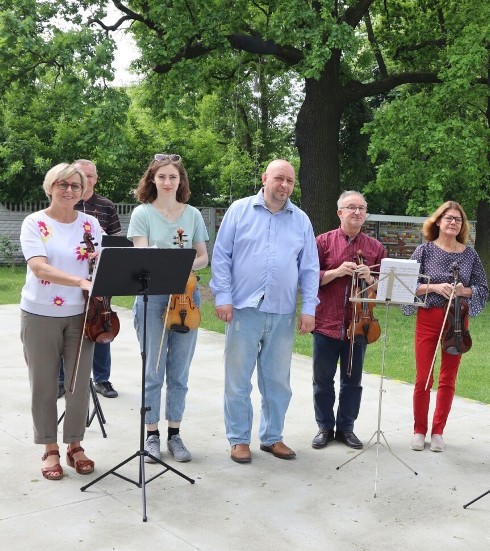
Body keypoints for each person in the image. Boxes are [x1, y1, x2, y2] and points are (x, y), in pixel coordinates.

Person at [210, 159, 319, 464]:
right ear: (265, 178)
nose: (284, 186)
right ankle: (239, 439)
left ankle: (272, 438)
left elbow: (310, 268)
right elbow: (221, 257)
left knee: (277, 381)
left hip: (283, 313)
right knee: (238, 380)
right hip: (244, 310)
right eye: (279, 179)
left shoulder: (301, 220)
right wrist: (223, 297)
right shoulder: (239, 210)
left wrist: (308, 307)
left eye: (290, 181)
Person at [20, 163, 101, 480]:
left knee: (79, 386)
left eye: (76, 186)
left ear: (83, 191)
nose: (69, 190)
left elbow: (100, 263)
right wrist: (80, 282)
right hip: (40, 313)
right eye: (62, 184)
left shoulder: (91, 224)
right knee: (43, 385)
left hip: (83, 315)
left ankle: (75, 446)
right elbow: (39, 267)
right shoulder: (34, 223)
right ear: (50, 186)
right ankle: (50, 448)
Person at [127, 154, 209, 463]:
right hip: (154, 298)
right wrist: (163, 261)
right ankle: (152, 435)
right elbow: (141, 254)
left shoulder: (193, 215)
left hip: (186, 297)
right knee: (153, 369)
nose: (167, 182)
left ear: (180, 181)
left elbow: (202, 256)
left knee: (180, 371)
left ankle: (175, 434)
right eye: (161, 176)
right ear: (152, 180)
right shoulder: (142, 214)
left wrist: (184, 263)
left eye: (173, 177)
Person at [404, 201, 488, 452]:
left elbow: (482, 287)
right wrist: (434, 287)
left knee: (448, 376)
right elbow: (408, 284)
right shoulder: (424, 251)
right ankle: (420, 430)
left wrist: (465, 290)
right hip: (429, 316)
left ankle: (438, 430)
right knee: (424, 376)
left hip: (457, 320)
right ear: (438, 221)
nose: (453, 222)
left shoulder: (470, 254)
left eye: (458, 220)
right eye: (448, 218)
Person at [311, 191, 386, 450]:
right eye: (351, 207)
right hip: (326, 323)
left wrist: (370, 278)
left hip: (360, 324)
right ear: (339, 212)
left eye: (361, 208)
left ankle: (346, 428)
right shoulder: (322, 242)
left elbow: (384, 289)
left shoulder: (376, 248)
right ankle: (324, 427)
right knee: (322, 380)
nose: (357, 212)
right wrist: (337, 271)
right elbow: (309, 279)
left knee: (352, 381)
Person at [57, 159, 121, 399]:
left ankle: (102, 379)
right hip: (69, 276)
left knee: (102, 323)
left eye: (90, 176)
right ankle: (62, 379)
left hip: (98, 276)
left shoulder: (106, 206)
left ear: (95, 179)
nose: (85, 180)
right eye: (80, 175)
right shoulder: (63, 201)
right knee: (67, 327)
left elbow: (115, 241)